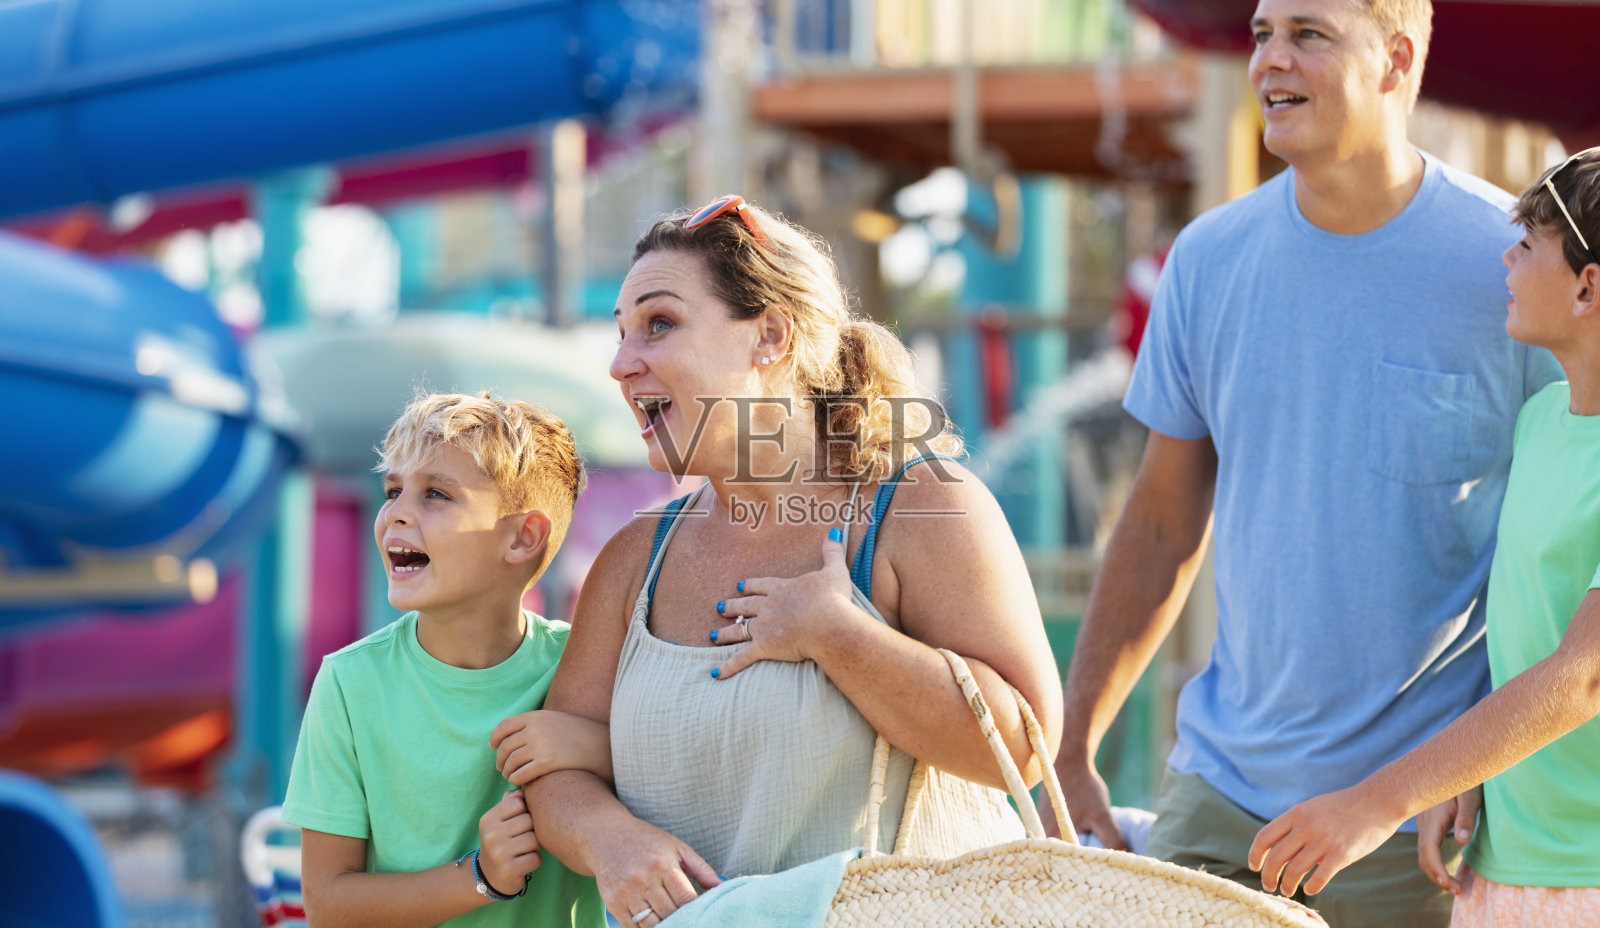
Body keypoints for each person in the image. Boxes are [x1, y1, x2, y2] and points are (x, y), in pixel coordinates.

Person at [1040, 0, 1563, 925]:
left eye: (1308, 34)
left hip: (1418, 827)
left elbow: (1554, 542)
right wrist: (1074, 746)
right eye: (1260, 34)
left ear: (1397, 60)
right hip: (1218, 797)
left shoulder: (1511, 274)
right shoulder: (1206, 262)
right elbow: (1162, 522)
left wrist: (1486, 766)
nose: (1270, 61)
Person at [519, 194, 1064, 927]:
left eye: (659, 324)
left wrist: (838, 636)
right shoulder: (632, 560)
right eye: (621, 334)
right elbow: (558, 764)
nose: (621, 364)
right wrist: (610, 841)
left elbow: (1023, 749)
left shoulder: (921, 507)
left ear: (770, 334)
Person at [1248, 147, 1600, 925]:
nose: (1504, 259)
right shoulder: (1542, 421)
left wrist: (1379, 802)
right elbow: (1524, 629)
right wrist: (1465, 775)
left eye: (1527, 246)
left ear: (1587, 285)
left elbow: (1583, 677)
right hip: (1499, 863)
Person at [282, 392, 607, 928]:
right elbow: (328, 904)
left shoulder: (586, 664)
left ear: (524, 537)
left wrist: (602, 747)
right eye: (392, 491)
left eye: (435, 494)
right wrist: (480, 877)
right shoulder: (349, 683)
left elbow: (686, 779)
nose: (395, 515)